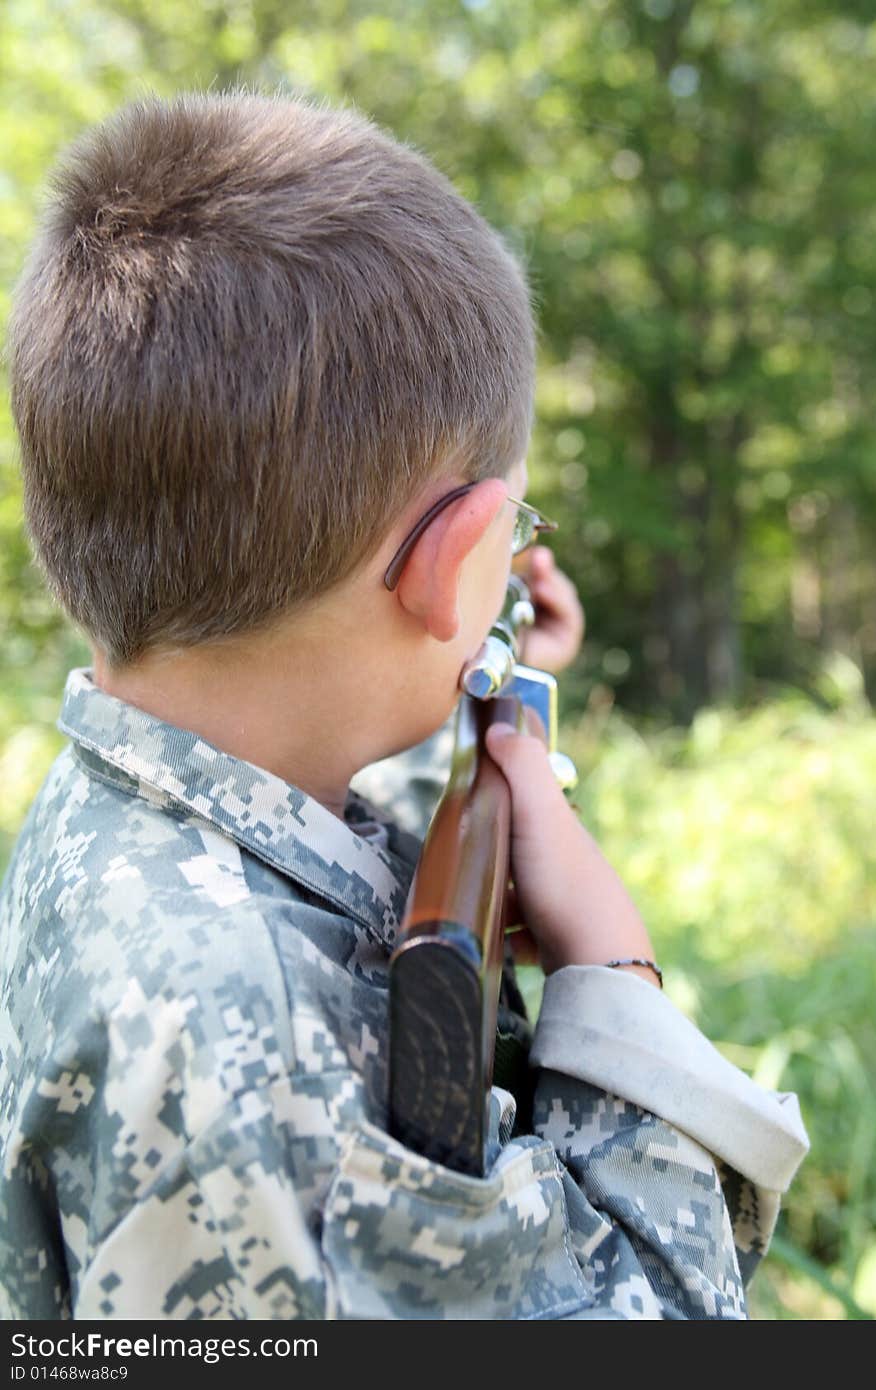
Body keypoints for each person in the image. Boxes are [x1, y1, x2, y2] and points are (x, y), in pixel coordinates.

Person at [0, 91, 807, 1321]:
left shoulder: (118, 815)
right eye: (513, 535)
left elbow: (319, 803)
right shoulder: (246, 1043)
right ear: (449, 558)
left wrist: (503, 643)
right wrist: (614, 981)